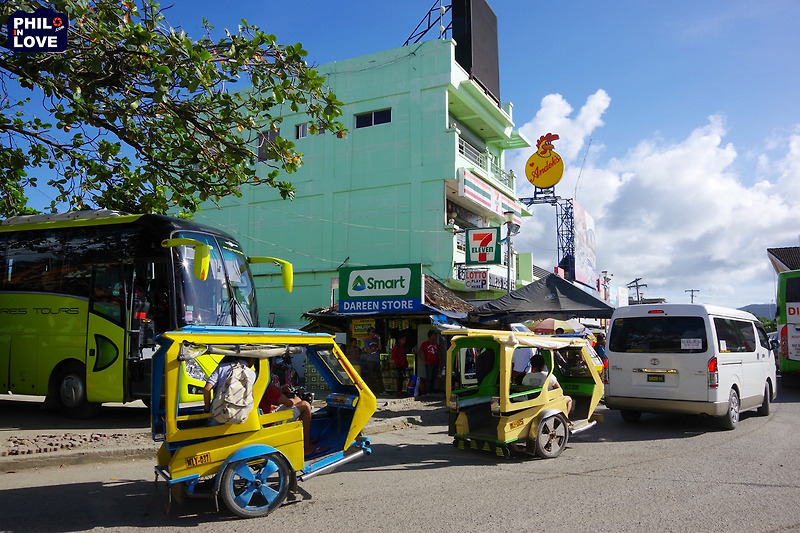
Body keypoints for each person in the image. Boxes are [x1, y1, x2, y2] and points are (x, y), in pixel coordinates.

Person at [259, 381, 318, 456]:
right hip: (270, 423)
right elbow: (289, 403)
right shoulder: (266, 388)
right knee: (305, 405)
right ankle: (307, 448)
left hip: (265, 417)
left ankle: (303, 439)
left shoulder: (255, 386)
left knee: (298, 401)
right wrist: (293, 395)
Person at [203, 356, 257, 424]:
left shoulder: (222, 367)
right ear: (252, 358)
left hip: (217, 416)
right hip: (238, 419)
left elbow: (206, 389)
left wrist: (207, 409)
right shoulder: (253, 374)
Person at [419, 329, 440, 395]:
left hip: (436, 363)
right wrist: (424, 361)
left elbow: (439, 355)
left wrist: (440, 363)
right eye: (434, 335)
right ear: (430, 336)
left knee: (434, 378)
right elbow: (420, 352)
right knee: (429, 378)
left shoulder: (436, 345)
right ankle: (428, 392)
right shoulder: (425, 344)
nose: (435, 336)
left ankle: (432, 391)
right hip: (429, 364)